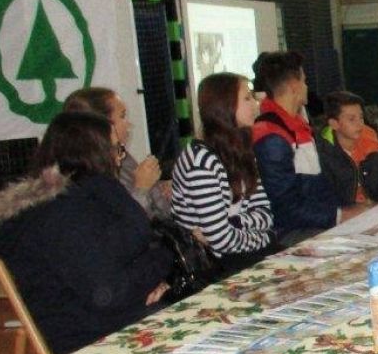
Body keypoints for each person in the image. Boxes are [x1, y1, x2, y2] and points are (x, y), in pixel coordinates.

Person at [0, 111, 173, 354]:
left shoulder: (59, 205)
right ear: (96, 154)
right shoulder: (63, 213)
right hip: (88, 344)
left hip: (92, 324)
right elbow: (108, 293)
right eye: (117, 150)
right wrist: (163, 260)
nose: (119, 160)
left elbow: (115, 260)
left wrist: (153, 279)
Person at [172, 73, 276, 277]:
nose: (256, 104)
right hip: (215, 266)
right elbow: (221, 241)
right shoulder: (201, 162)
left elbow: (266, 213)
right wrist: (264, 238)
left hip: (240, 253)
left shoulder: (240, 149)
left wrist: (236, 222)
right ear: (225, 107)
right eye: (247, 98)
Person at [252, 51, 355, 245]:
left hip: (315, 222)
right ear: (294, 86)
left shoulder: (298, 127)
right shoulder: (272, 137)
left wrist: (344, 211)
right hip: (291, 232)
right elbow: (285, 209)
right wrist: (339, 215)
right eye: (304, 81)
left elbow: (317, 186)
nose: (307, 87)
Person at [63, 87, 170, 219]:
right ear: (101, 125)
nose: (129, 124)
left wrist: (161, 188)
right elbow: (123, 225)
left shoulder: (121, 153)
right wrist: (142, 188)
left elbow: (163, 212)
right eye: (122, 116)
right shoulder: (83, 178)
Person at [316, 90, 378, 208]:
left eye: (361, 117)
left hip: (374, 210)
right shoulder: (322, 154)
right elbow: (324, 202)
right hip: (343, 215)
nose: (360, 124)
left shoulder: (372, 146)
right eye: (351, 119)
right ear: (334, 124)